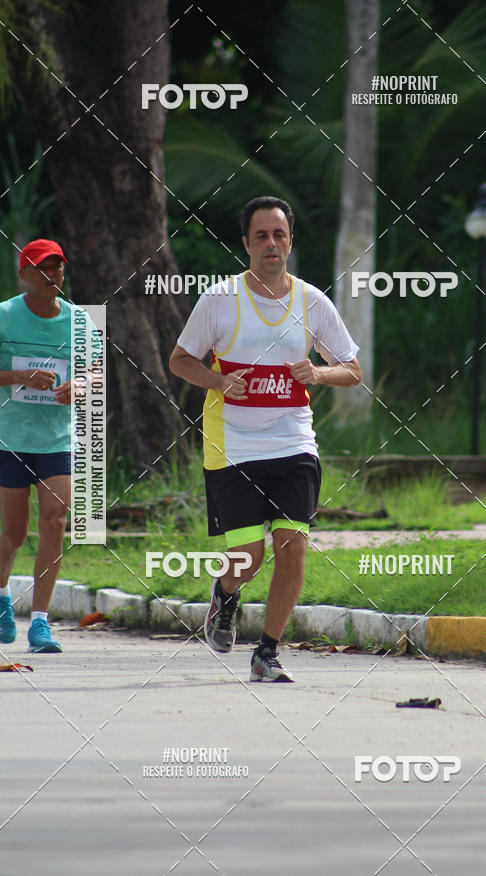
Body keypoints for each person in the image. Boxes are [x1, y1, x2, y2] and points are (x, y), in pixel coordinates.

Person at [169, 196, 361, 682]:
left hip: (293, 441)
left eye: (279, 234)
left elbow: (353, 371)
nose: (271, 244)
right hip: (232, 446)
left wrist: (317, 372)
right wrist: (217, 382)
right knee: (248, 559)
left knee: (292, 545)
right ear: (246, 244)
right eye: (261, 236)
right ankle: (226, 594)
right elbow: (180, 360)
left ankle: (267, 653)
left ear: (290, 240)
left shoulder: (312, 302)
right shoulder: (219, 300)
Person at [0, 239, 74, 653]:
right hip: (11, 439)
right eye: (43, 268)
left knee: (54, 520)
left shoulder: (79, 322)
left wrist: (81, 384)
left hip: (56, 439)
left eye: (58, 267)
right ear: (24, 274)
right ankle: (2, 597)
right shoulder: (6, 317)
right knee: (13, 533)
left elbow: (97, 372)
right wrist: (19, 377)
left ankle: (41, 624)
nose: (52, 276)